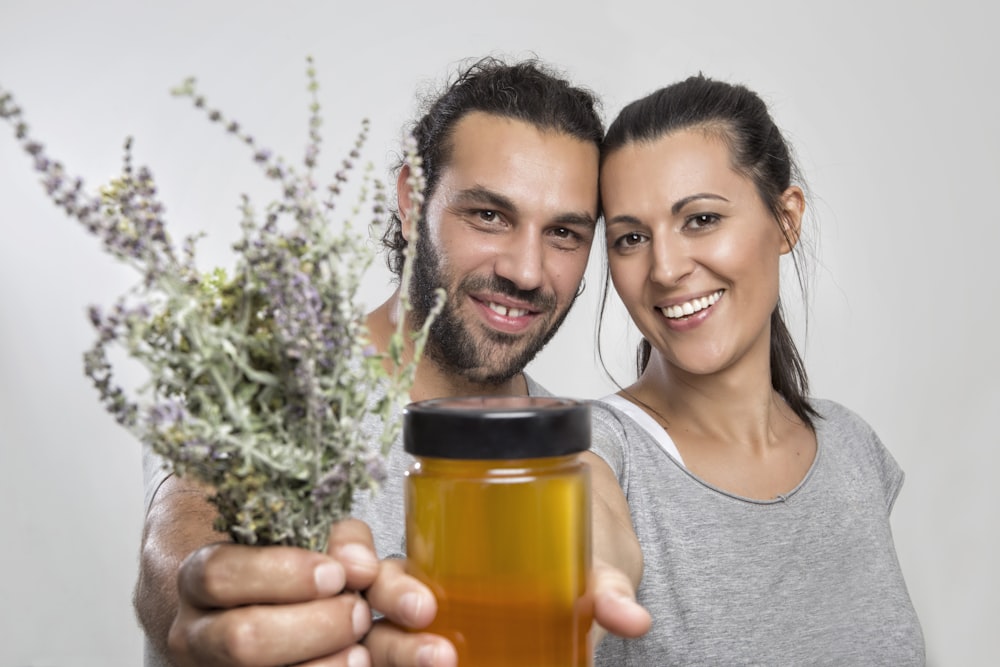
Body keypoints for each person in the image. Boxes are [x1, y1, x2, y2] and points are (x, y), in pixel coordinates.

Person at [135, 57, 650, 667]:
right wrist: (211, 597)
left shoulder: (570, 446)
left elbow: (599, 509)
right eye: (488, 215)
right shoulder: (263, 381)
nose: (526, 270)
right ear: (412, 199)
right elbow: (183, 529)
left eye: (564, 233)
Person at [589, 74, 925, 664]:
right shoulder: (596, 446)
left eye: (700, 219)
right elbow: (574, 499)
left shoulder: (853, 451)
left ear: (787, 220)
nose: (665, 269)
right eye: (631, 237)